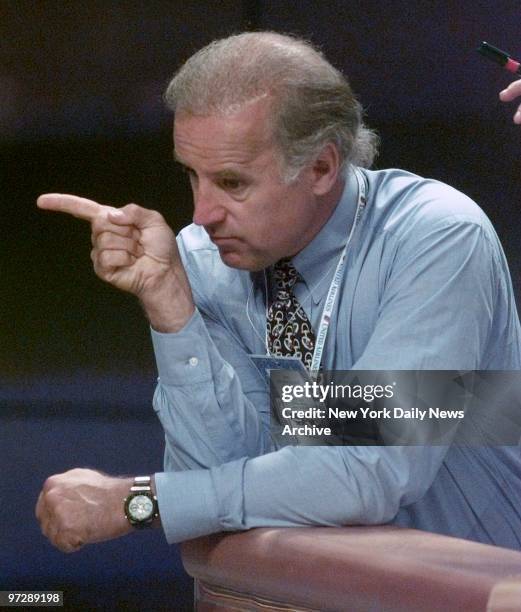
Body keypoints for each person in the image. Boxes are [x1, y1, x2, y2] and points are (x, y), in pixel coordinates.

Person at [36, 32, 521, 554]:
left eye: (232, 183)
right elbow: (221, 487)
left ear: (321, 167)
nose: (202, 215)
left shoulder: (435, 235)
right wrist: (171, 309)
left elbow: (371, 471)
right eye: (192, 177)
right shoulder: (201, 257)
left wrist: (141, 500)